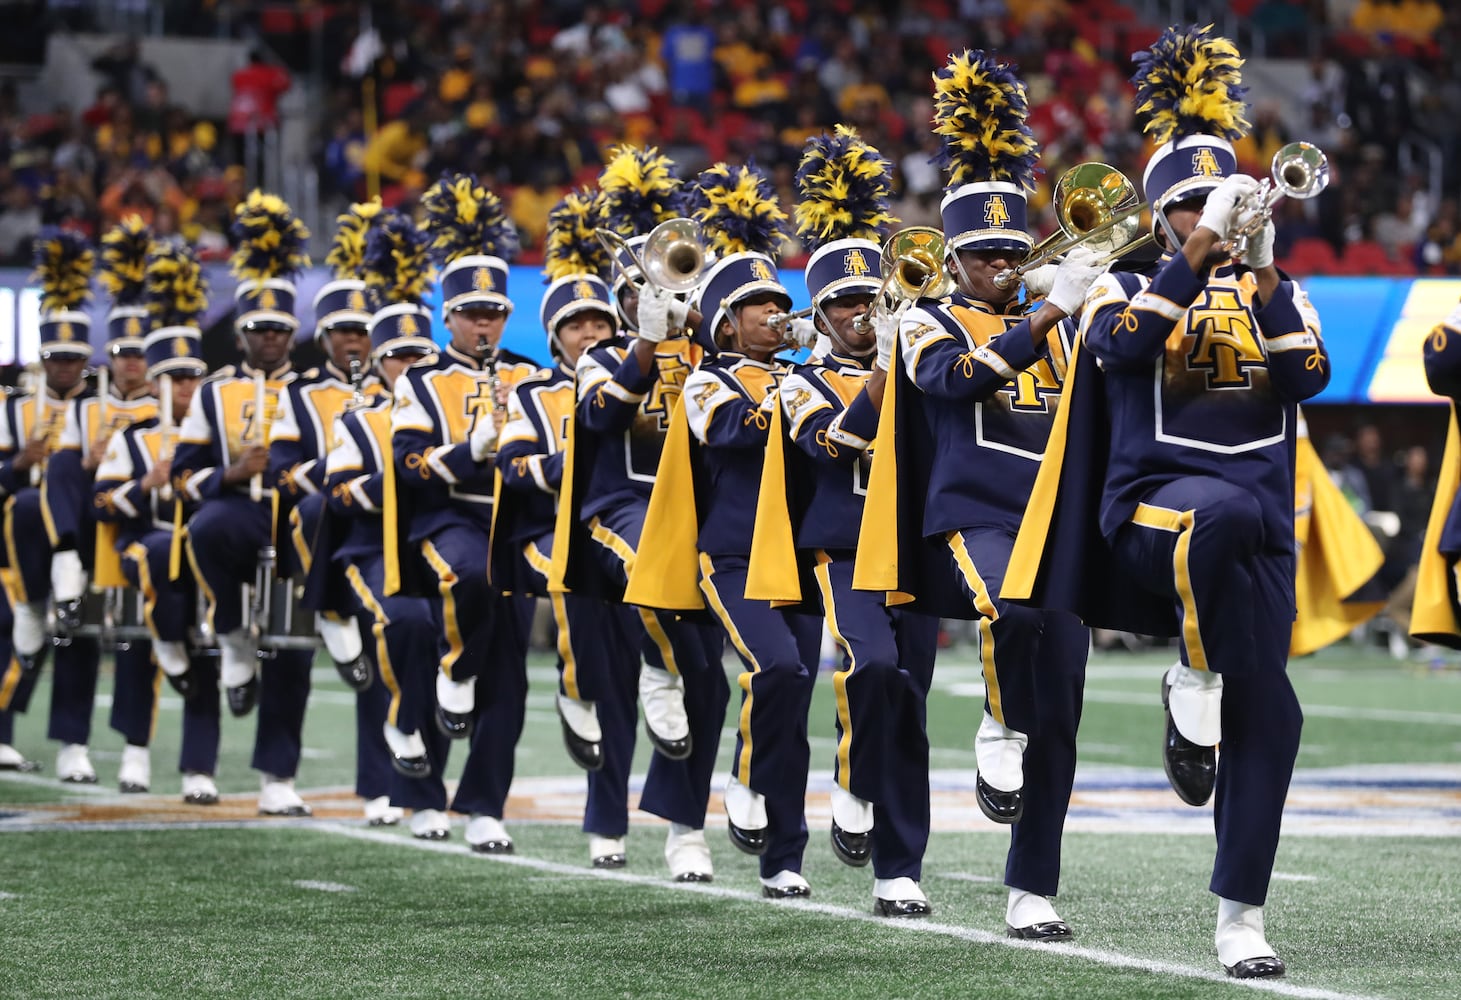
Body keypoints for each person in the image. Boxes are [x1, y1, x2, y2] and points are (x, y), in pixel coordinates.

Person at [1006, 26, 1330, 979]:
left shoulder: (1282, 288)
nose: (1210, 215)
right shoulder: (1122, 279)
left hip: (1260, 529)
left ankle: (1240, 917)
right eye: (1187, 202)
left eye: (1220, 200)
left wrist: (1263, 268)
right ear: (1157, 215)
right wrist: (1193, 251)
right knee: (1217, 516)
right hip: (1152, 510)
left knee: (1273, 714)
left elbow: (1307, 376)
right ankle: (1188, 677)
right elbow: (1119, 350)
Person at [864, 52, 1103, 934]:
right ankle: (992, 736)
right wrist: (1043, 319)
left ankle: (1030, 887)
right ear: (953, 258)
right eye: (985, 254)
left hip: (1056, 520)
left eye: (1013, 249)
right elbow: (956, 382)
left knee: (1067, 708)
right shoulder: (924, 315)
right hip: (968, 511)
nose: (1003, 264)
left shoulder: (1064, 315)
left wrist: (1096, 306)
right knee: (1008, 615)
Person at [749, 126, 943, 914]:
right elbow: (832, 447)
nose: (865, 314)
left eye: (875, 299)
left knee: (912, 708)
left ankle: (901, 871)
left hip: (919, 550)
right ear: (819, 314)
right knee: (873, 668)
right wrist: (889, 366)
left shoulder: (924, 359)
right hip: (845, 547)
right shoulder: (795, 382)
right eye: (848, 304)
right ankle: (853, 780)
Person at [630, 160, 821, 898]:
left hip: (797, 556)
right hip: (723, 552)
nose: (776, 314)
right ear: (724, 319)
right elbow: (731, 431)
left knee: (790, 696)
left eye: (781, 302)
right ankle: (684, 828)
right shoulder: (708, 375)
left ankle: (784, 856)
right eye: (758, 306)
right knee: (709, 686)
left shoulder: (804, 369)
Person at [550, 145, 728, 882]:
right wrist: (646, 341)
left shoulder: (708, 353)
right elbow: (599, 417)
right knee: (615, 674)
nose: (661, 295)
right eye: (642, 291)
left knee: (710, 683)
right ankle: (604, 815)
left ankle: (686, 827)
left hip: (694, 526)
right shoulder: (602, 355)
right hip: (615, 521)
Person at [387, 175, 538, 849]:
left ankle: (484, 807)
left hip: (518, 523)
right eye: (472, 312)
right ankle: (425, 791)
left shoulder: (532, 375)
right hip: (445, 521)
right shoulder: (420, 380)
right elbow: (409, 464)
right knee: (469, 586)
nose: (485, 324)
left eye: (495, 313)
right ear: (448, 317)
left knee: (509, 669)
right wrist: (468, 447)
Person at [495, 215, 637, 865]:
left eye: (599, 323)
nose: (590, 333)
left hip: (618, 538)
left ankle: (608, 821)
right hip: (543, 538)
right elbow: (512, 467)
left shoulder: (630, 385)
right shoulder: (527, 391)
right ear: (554, 336)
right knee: (574, 580)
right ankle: (572, 682)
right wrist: (566, 468)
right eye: (576, 325)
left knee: (626, 676)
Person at [173, 191, 316, 817]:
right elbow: (182, 476)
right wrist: (228, 474)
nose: (270, 340)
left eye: (280, 329)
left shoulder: (316, 392)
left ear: (294, 334)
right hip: (236, 512)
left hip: (295, 519)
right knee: (205, 529)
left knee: (291, 645)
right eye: (259, 329)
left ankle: (277, 778)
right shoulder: (214, 393)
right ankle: (229, 626)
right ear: (241, 334)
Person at [320, 242, 439, 833]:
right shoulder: (358, 417)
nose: (411, 366)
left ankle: (434, 795)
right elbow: (337, 494)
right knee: (401, 630)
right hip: (371, 551)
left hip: (437, 547)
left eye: (421, 353)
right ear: (379, 362)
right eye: (398, 357)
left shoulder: (452, 408)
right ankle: (387, 783)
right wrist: (398, 478)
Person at [45, 218, 161, 790]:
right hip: (93, 534)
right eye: (122, 351)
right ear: (109, 355)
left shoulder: (173, 408)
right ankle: (73, 743)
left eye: (142, 351)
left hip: (141, 528)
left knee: (139, 639)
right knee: (81, 631)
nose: (132, 362)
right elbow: (63, 474)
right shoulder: (85, 407)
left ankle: (136, 750)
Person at [92, 323, 222, 804]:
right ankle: (134, 755)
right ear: (153, 384)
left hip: (198, 555)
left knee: (204, 650)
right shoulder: (132, 439)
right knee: (137, 646)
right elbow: (100, 502)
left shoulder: (217, 438)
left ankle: (199, 769)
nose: (185, 387)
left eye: (192, 376)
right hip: (144, 546)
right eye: (173, 377)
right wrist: (145, 485)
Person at [0, 229, 101, 781]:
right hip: (16, 542)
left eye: (73, 359)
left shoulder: (104, 408)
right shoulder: (12, 406)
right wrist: (17, 464)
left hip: (80, 535)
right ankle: (3, 732)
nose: (64, 368)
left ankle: (73, 746)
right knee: (10, 623)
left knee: (76, 632)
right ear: (43, 357)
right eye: (56, 358)